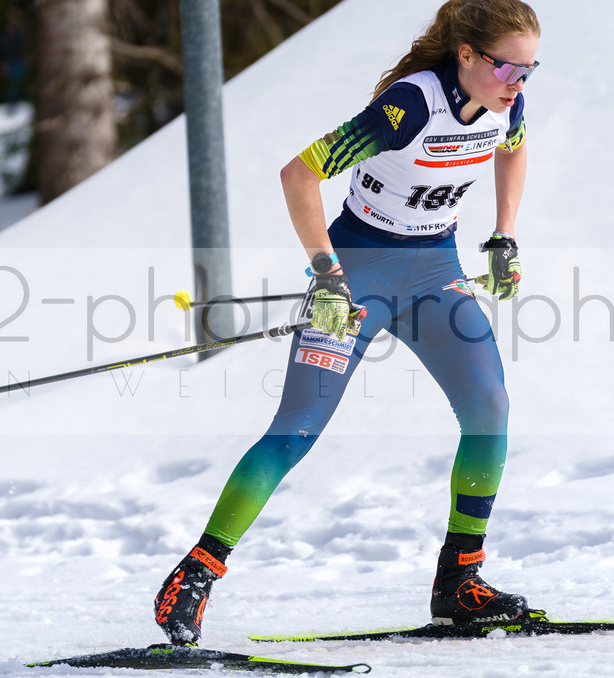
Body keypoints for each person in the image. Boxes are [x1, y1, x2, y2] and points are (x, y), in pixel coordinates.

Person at [154, 0, 541, 644]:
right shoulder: (410, 106)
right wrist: (328, 276)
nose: (518, 83)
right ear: (467, 55)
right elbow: (299, 174)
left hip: (434, 274)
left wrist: (505, 235)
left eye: (529, 71)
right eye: (507, 68)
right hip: (358, 273)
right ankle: (196, 573)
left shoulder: (508, 104)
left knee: (489, 406)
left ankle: (460, 580)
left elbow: (514, 151)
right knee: (297, 429)